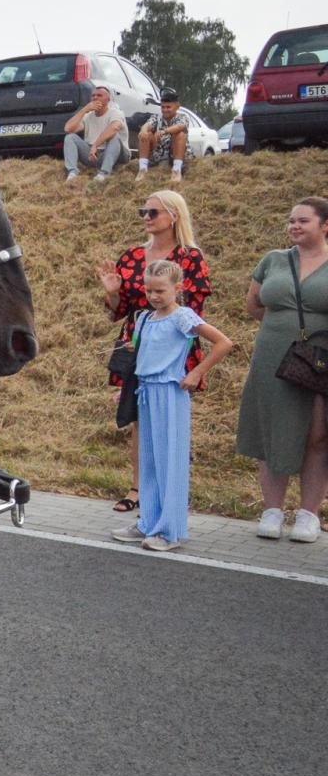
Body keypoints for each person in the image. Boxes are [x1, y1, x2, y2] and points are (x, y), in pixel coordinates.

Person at [94, 190, 210, 513]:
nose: (146, 217)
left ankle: (171, 489)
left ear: (174, 215)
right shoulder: (131, 256)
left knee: (170, 418)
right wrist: (114, 294)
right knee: (138, 417)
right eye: (143, 211)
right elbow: (119, 312)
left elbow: (194, 312)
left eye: (153, 212)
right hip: (136, 342)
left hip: (173, 344)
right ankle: (138, 488)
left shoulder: (190, 258)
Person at [110, 260, 233, 551]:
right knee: (149, 459)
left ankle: (170, 530)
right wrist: (128, 387)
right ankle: (148, 523)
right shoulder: (144, 318)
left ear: (178, 289)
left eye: (160, 291)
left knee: (170, 460)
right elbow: (141, 355)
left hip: (170, 391)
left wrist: (196, 372)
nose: (153, 296)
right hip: (146, 391)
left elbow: (223, 343)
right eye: (149, 290)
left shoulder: (183, 317)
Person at [235, 197, 328, 543]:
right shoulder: (273, 260)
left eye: (303, 221)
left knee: (317, 434)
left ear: (324, 226)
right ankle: (272, 510)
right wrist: (285, 331)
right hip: (273, 356)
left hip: (320, 360)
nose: (294, 226)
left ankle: (308, 514)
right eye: (291, 221)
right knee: (271, 431)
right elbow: (254, 305)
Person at [62, 84, 128, 183]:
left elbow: (114, 128)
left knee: (115, 137)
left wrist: (95, 145)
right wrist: (84, 110)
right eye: (93, 95)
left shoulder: (116, 113)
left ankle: (103, 174)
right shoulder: (88, 116)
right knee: (70, 137)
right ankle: (72, 173)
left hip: (117, 153)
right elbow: (68, 129)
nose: (95, 97)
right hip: (94, 156)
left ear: (108, 99)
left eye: (99, 95)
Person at [136, 88, 193, 182]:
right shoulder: (156, 117)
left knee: (180, 134)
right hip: (158, 154)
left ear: (177, 106)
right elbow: (148, 125)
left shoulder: (183, 117)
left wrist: (164, 131)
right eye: (163, 107)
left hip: (174, 154)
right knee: (146, 134)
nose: (165, 110)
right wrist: (143, 131)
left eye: (168, 107)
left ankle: (176, 170)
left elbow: (180, 126)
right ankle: (142, 169)